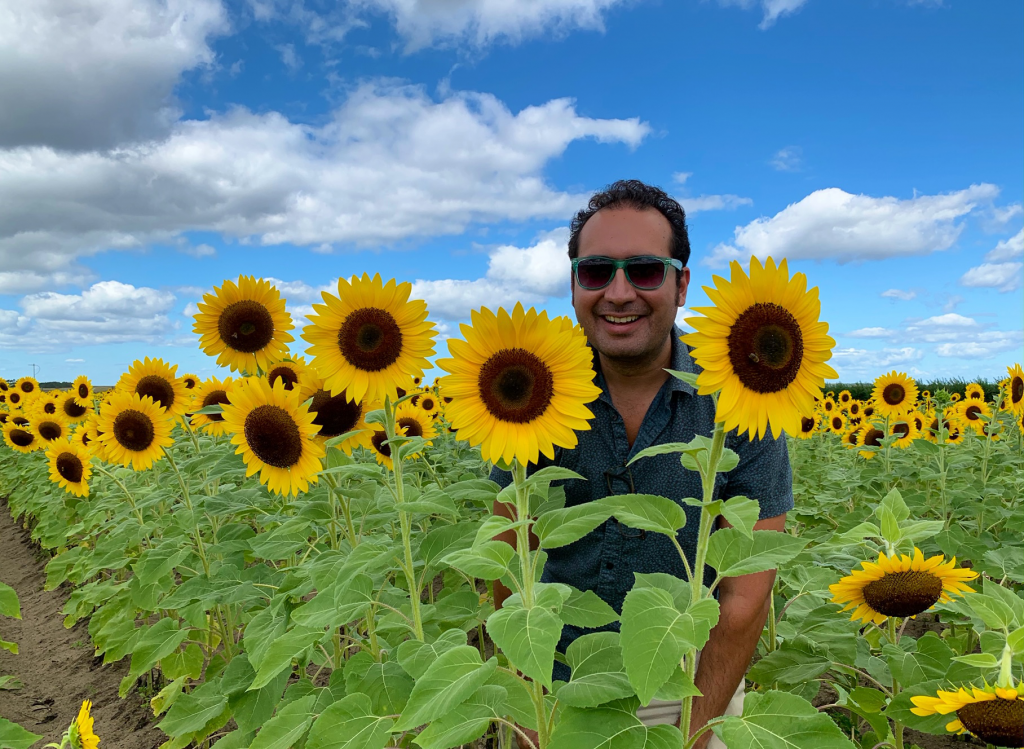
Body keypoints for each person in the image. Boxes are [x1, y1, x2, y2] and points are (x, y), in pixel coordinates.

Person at [490, 179, 793, 749]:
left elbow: (746, 593)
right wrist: (528, 708)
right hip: (558, 683)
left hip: (684, 686)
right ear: (575, 283)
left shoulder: (743, 392)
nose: (619, 292)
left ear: (681, 284)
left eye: (646, 271)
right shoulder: (529, 386)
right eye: (597, 270)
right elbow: (510, 565)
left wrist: (695, 731)